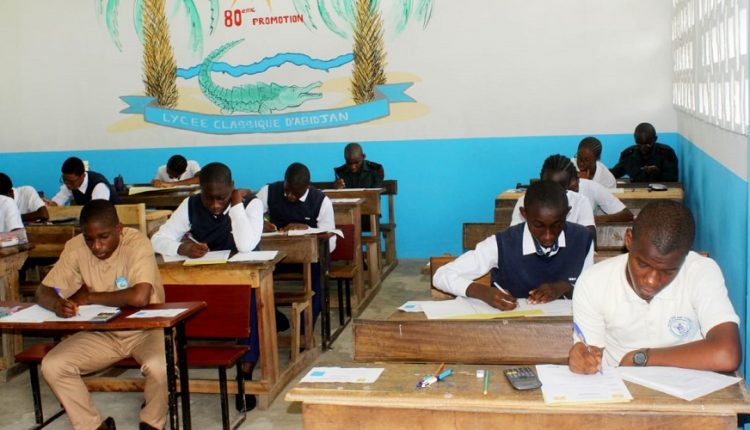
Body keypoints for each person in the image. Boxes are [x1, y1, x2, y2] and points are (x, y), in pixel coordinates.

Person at [35, 200, 166, 430]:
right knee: (53, 365)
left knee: (159, 366)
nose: (96, 246)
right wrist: (57, 304)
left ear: (119, 229)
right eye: (89, 239)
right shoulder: (76, 247)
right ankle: (94, 427)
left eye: (103, 237)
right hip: (103, 331)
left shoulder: (137, 243)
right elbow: (42, 291)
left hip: (147, 329)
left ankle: (152, 422)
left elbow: (139, 297)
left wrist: (90, 297)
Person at [568, 201, 741, 375]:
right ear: (628, 239)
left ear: (685, 256)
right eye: (643, 264)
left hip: (690, 384)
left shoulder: (701, 272)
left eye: (668, 271)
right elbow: (590, 352)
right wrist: (583, 359)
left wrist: (642, 358)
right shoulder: (594, 282)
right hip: (620, 383)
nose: (651, 281)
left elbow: (727, 354)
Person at [150, 161, 263, 412]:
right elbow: (157, 239)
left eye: (221, 197)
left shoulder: (251, 204)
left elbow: (246, 245)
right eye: (208, 197)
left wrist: (236, 205)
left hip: (242, 280)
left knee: (251, 305)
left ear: (232, 187)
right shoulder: (190, 204)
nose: (214, 205)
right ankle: (169, 373)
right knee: (170, 297)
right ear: (199, 190)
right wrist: (182, 247)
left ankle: (245, 374)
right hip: (205, 278)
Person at [434, 181, 594, 309]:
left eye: (556, 225)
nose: (548, 236)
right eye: (538, 225)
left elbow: (591, 289)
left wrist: (565, 287)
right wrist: (483, 292)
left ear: (567, 213)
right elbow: (441, 275)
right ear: (524, 214)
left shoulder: (582, 239)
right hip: (511, 328)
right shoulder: (502, 244)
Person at [256, 162, 336, 322]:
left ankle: (306, 326)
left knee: (320, 273)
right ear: (284, 181)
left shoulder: (321, 201)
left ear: (307, 186)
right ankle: (274, 319)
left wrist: (308, 229)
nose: (290, 196)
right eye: (287, 190)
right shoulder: (269, 191)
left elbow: (331, 242)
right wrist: (261, 224)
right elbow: (251, 217)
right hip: (276, 257)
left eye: (296, 193)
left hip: (308, 258)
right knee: (255, 275)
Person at [532, 155, 633, 225]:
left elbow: (627, 215)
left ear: (576, 178)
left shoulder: (587, 194)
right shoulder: (532, 200)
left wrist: (592, 219)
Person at [511, 155, 596, 229]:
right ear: (541, 180)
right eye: (548, 186)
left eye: (560, 189)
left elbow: (589, 238)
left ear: (568, 185)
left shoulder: (581, 203)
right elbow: (514, 237)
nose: (553, 193)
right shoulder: (525, 201)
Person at [610, 123, 679, 182]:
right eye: (639, 144)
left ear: (655, 139)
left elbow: (673, 179)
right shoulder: (628, 155)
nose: (643, 148)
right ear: (635, 140)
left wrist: (657, 173)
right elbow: (615, 173)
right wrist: (603, 171)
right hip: (636, 191)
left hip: (662, 191)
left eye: (648, 144)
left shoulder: (666, 153)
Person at [49, 157, 121, 206]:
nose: (68, 184)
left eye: (71, 182)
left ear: (82, 176)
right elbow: (58, 200)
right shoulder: (70, 184)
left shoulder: (99, 187)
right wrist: (50, 204)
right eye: (64, 180)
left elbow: (97, 212)